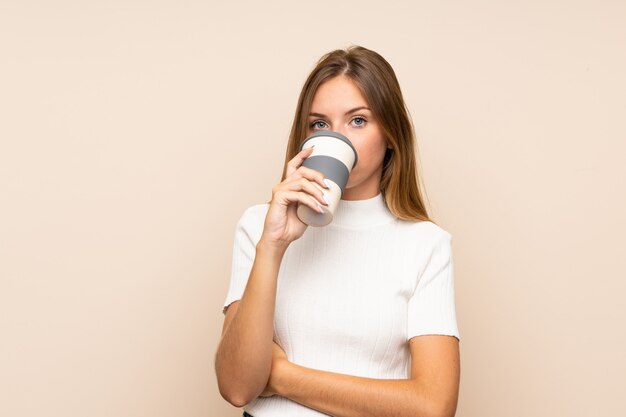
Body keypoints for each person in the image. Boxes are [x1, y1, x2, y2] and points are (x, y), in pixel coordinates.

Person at [215, 45, 461, 417]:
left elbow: (432, 407)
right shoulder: (260, 226)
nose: (338, 137)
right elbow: (236, 386)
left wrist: (280, 375)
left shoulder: (425, 245)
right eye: (320, 124)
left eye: (358, 120)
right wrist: (273, 245)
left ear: (391, 134)